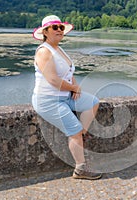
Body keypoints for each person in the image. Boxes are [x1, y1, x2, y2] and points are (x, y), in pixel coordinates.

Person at [32, 15, 102, 180]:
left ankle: (80, 135)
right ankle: (80, 169)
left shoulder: (59, 49)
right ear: (45, 32)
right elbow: (53, 80)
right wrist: (74, 88)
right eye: (55, 27)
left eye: (61, 28)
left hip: (66, 96)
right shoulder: (44, 51)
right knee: (74, 131)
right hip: (48, 101)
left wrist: (74, 87)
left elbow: (69, 73)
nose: (59, 30)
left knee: (93, 102)